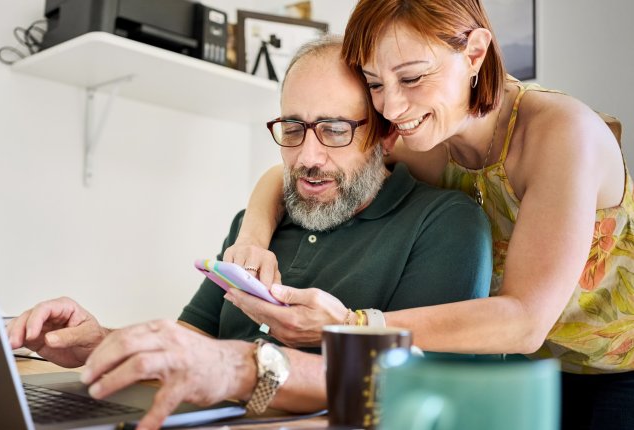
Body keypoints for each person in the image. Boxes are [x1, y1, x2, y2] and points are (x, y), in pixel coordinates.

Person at [7, 35, 493, 430]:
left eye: (336, 130)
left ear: (386, 133)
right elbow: (192, 344)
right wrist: (98, 342)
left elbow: (414, 390)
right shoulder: (255, 227)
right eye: (293, 128)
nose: (307, 157)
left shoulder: (445, 224)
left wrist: (239, 369)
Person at [224, 1, 634, 429]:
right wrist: (251, 238)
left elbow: (526, 319)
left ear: (475, 53)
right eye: (375, 83)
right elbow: (296, 169)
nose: (393, 108)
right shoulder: (427, 137)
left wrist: (352, 324)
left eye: (413, 77)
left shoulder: (563, 133)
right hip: (528, 366)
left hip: (620, 367)